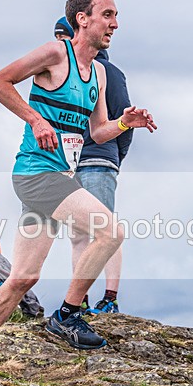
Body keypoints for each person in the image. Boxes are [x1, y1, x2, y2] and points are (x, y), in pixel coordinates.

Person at [0, 0, 156, 370]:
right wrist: (36, 119)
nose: (115, 23)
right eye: (108, 14)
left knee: (23, 277)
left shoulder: (98, 73)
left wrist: (126, 122)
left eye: (116, 16)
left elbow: (96, 132)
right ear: (83, 18)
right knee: (110, 231)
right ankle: (66, 316)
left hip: (59, 175)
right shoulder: (54, 54)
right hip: (35, 174)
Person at [52, 16, 134, 316]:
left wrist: (113, 156)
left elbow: (124, 119)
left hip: (99, 158)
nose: (60, 44)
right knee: (77, 234)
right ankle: (80, 300)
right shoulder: (60, 72)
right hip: (69, 163)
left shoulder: (109, 72)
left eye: (62, 37)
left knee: (105, 229)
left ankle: (109, 298)